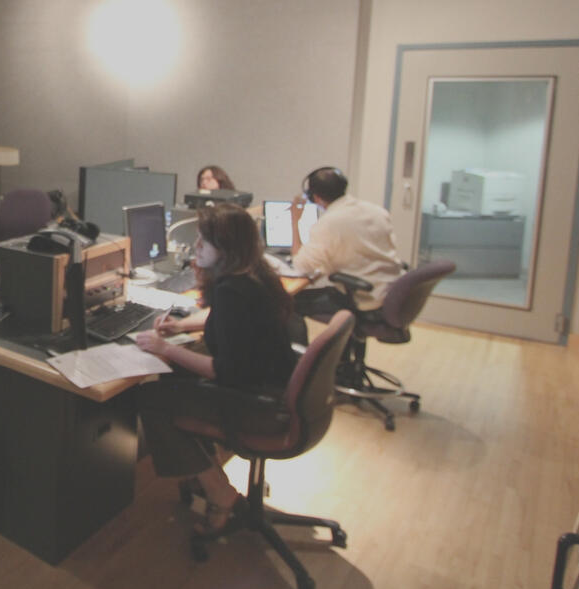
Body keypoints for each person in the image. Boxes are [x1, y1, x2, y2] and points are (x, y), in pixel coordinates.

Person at [133, 203, 297, 532]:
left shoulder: (231, 292)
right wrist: (181, 328)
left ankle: (219, 492)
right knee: (178, 374)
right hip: (278, 387)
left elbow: (223, 372)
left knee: (151, 398)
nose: (195, 249)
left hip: (257, 403)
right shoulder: (256, 275)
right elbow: (219, 318)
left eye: (202, 243)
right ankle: (203, 473)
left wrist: (165, 349)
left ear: (225, 250)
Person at [290, 166, 403, 316]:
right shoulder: (377, 211)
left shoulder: (328, 223)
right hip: (392, 293)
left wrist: (295, 221)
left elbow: (301, 267)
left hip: (364, 299)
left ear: (314, 197)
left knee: (286, 302)